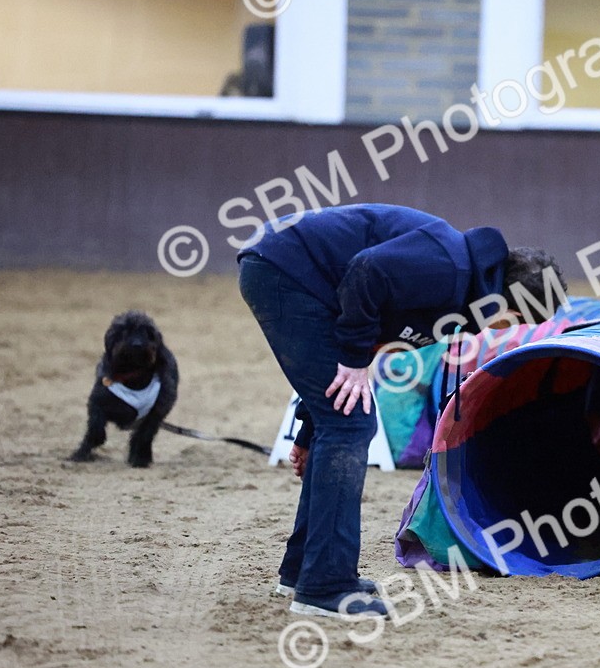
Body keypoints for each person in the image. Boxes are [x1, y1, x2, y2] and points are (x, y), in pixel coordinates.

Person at [238, 204, 565, 618]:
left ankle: (304, 571)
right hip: (286, 269)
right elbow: (366, 271)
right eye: (510, 324)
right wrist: (355, 363)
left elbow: (348, 356)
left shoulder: (459, 302)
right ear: (509, 306)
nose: (498, 332)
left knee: (344, 415)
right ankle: (324, 587)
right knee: (351, 423)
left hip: (294, 276)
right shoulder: (448, 267)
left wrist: (307, 430)